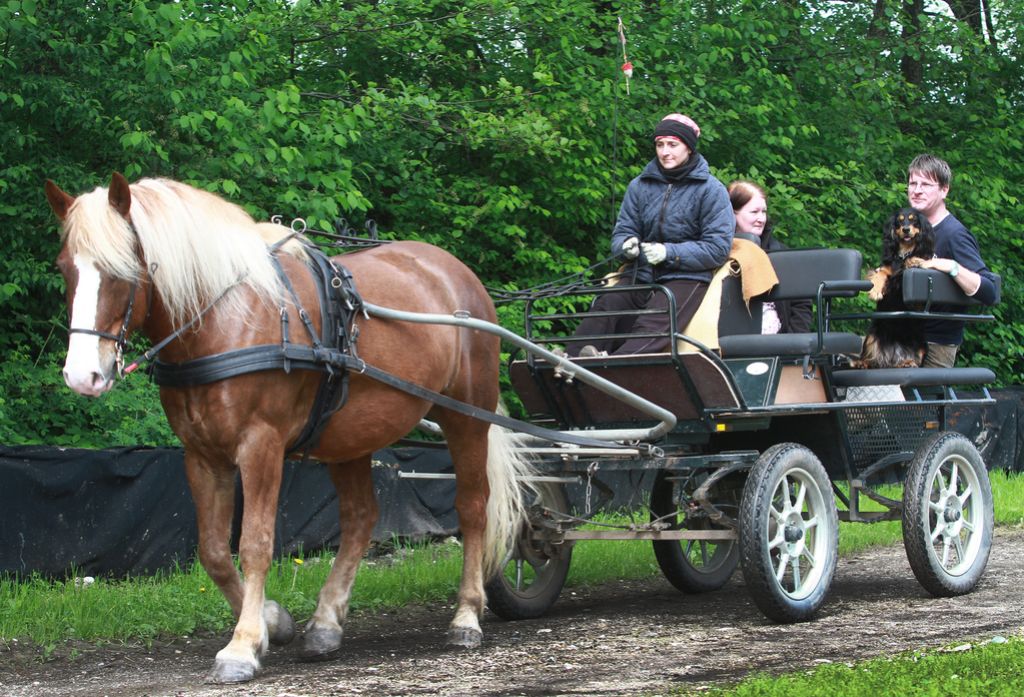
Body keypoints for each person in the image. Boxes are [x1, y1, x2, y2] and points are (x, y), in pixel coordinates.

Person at [569, 113, 734, 356]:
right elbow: (622, 232)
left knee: (653, 322)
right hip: (642, 272)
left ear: (688, 147)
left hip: (686, 277)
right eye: (660, 144)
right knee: (607, 306)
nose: (665, 151)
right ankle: (567, 361)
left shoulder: (711, 190)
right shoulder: (639, 186)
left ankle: (614, 366)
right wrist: (626, 245)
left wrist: (669, 253)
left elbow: (717, 248)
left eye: (672, 144)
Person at [904, 154, 999, 367]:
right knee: (841, 357)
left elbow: (989, 291)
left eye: (926, 184)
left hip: (935, 346)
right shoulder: (909, 232)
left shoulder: (954, 234)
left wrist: (951, 266)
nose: (917, 190)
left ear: (944, 189)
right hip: (902, 337)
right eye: (912, 183)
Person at [727, 180, 812, 334]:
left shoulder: (780, 254)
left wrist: (792, 344)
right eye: (754, 212)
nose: (761, 218)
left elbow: (802, 304)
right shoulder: (716, 254)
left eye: (764, 211)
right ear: (732, 214)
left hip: (778, 344)